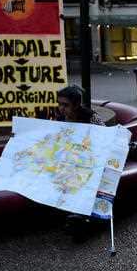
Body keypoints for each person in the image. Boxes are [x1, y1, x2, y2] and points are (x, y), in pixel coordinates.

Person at [55, 85, 105, 241]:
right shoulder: (60, 119)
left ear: (76, 104)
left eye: (65, 105)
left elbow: (106, 137)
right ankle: (74, 216)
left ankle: (83, 219)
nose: (61, 108)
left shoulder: (91, 117)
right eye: (60, 104)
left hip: (92, 160)